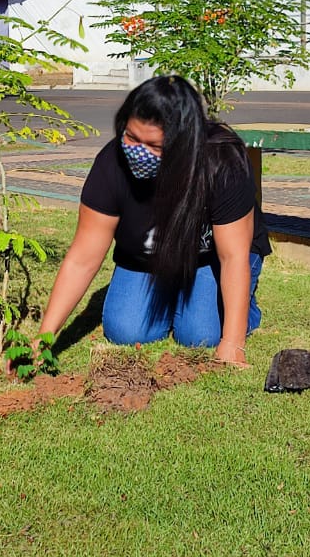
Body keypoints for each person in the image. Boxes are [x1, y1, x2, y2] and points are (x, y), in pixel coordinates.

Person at [39, 75, 269, 366]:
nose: (138, 153)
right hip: (150, 259)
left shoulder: (223, 161)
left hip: (209, 258)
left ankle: (243, 308)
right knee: (126, 330)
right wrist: (44, 338)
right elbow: (82, 258)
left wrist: (233, 343)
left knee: (200, 334)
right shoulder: (111, 163)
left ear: (185, 143)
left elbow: (233, 256)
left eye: (155, 146)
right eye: (132, 138)